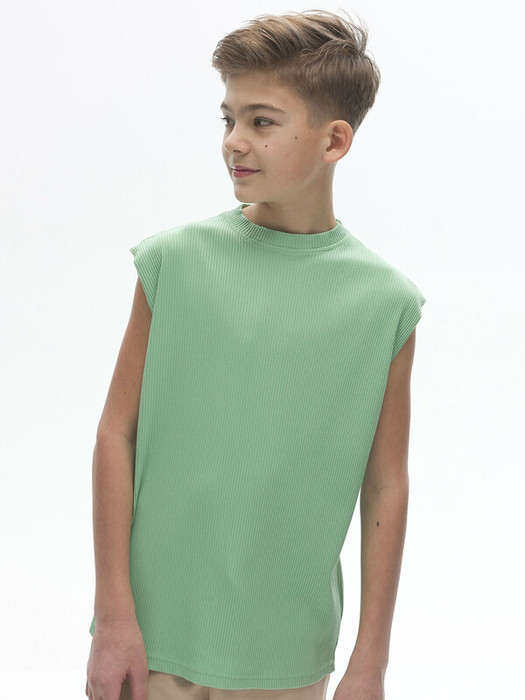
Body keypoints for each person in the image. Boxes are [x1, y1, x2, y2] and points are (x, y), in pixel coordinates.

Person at [85, 9, 427, 700]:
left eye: (261, 121)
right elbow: (116, 435)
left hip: (286, 652)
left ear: (334, 140)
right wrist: (114, 615)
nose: (234, 141)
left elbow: (385, 485)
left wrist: (370, 662)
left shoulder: (384, 304)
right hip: (154, 637)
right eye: (228, 118)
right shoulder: (174, 263)